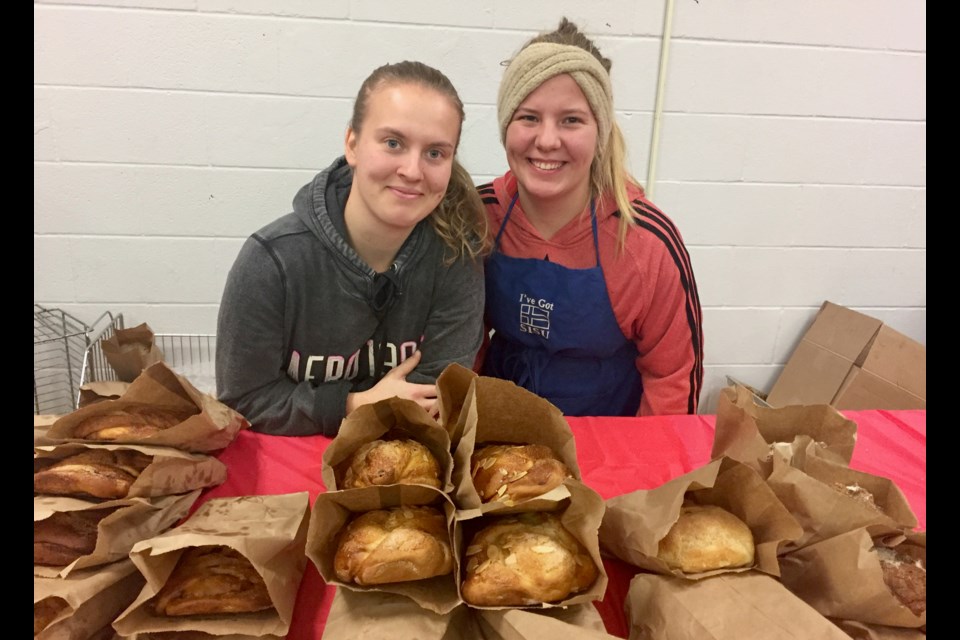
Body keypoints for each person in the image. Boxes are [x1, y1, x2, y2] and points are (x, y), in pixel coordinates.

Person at [216, 61, 489, 436]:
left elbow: (435, 399)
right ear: (352, 144)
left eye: (435, 153)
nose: (412, 170)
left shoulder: (456, 260)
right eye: (393, 143)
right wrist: (352, 405)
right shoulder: (271, 261)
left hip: (408, 465)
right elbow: (244, 402)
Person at [476, 18, 703, 417]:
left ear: (599, 131)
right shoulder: (479, 218)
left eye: (571, 120)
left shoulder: (647, 244)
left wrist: (642, 473)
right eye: (528, 117)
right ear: (505, 125)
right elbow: (459, 346)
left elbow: (672, 382)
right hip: (498, 435)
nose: (547, 140)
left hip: (611, 445)